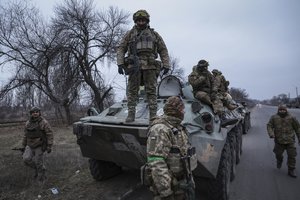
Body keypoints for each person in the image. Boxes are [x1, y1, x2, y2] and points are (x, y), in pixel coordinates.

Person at [117, 9, 170, 122]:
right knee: (132, 91)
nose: (141, 23)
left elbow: (163, 49)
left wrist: (166, 64)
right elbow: (121, 48)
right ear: (136, 21)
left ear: (147, 21)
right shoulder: (130, 34)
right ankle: (131, 114)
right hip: (134, 67)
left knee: (151, 91)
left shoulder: (154, 34)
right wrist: (120, 63)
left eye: (143, 20)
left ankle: (153, 116)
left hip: (150, 66)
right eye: (139, 20)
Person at [146, 96, 197, 199]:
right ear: (176, 111)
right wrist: (166, 193)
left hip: (182, 184)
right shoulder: (160, 129)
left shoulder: (178, 127)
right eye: (182, 109)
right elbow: (156, 162)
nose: (184, 112)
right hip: (170, 187)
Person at [21, 107, 54, 181]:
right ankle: (39, 169)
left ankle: (41, 179)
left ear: (39, 113)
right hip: (29, 145)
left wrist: (49, 145)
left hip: (40, 144)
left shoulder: (44, 122)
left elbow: (49, 134)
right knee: (26, 159)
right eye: (33, 112)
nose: (35, 113)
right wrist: (23, 145)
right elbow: (25, 135)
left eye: (37, 112)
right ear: (31, 113)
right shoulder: (28, 123)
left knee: (38, 162)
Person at [267, 104, 300, 178]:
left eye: (283, 110)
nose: (282, 111)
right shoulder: (274, 117)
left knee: (292, 155)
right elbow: (269, 125)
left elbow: (298, 128)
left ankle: (291, 170)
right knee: (278, 154)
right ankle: (279, 160)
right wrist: (271, 134)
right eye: (280, 110)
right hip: (279, 141)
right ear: (278, 110)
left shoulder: (292, 118)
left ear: (286, 110)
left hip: (290, 141)